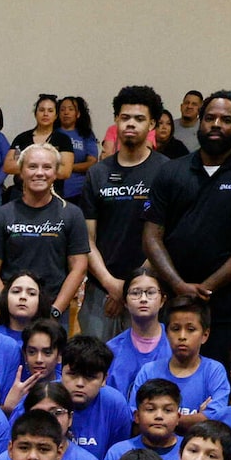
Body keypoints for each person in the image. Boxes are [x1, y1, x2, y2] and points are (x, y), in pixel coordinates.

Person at [143, 92, 231, 367]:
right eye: (210, 118)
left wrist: (207, 287)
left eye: (226, 119)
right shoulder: (171, 172)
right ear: (200, 123)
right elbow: (151, 235)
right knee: (164, 380)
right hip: (172, 300)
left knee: (217, 383)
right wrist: (179, 286)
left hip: (224, 304)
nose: (216, 124)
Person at [81, 86, 170, 343]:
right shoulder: (97, 173)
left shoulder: (167, 172)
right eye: (125, 117)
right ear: (116, 121)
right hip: (101, 290)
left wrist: (132, 286)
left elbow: (166, 236)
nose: (131, 124)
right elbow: (88, 239)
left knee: (146, 373)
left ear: (152, 123)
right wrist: (112, 285)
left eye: (139, 119)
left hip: (148, 288)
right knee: (95, 366)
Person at [0, 144, 90, 325]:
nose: (39, 173)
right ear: (21, 172)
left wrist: (56, 310)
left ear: (55, 173)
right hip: (10, 315)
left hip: (54, 312)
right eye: (32, 166)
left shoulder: (72, 214)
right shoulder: (0, 215)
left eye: (47, 167)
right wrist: (9, 308)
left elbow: (79, 268)